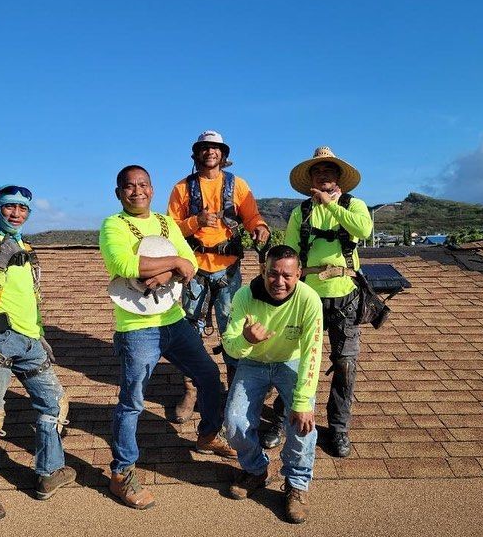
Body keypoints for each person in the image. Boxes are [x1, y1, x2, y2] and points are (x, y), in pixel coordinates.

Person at [99, 165, 237, 510]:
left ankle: (207, 435)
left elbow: (190, 264)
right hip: (136, 327)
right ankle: (121, 473)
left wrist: (165, 269)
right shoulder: (113, 225)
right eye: (129, 186)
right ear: (119, 192)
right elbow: (123, 264)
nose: (137, 191)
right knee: (133, 400)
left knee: (208, 375)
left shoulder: (164, 221)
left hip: (173, 320)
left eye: (143, 184)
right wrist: (171, 262)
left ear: (152, 189)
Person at [0, 185, 75, 521]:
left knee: (54, 403)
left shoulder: (26, 247)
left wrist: (39, 335)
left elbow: (31, 296)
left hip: (28, 339)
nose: (16, 213)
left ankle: (49, 472)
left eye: (23, 209)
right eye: (9, 207)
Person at [167, 130, 270, 423]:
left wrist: (259, 228)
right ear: (196, 154)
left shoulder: (238, 185)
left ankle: (235, 389)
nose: (210, 152)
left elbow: (252, 216)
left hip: (228, 269)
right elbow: (171, 229)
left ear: (223, 155)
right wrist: (195, 221)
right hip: (193, 268)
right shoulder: (181, 189)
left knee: (232, 328)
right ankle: (192, 389)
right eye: (204, 147)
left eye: (215, 148)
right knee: (190, 330)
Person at [281, 146, 372, 458]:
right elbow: (289, 252)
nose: (323, 175)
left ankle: (339, 428)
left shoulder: (354, 205)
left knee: (345, 365)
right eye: (317, 171)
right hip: (307, 297)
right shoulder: (300, 212)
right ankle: (284, 420)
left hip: (346, 295)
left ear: (338, 178)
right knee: (293, 359)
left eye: (329, 170)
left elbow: (363, 229)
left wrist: (330, 206)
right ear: (311, 177)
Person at [222, 245, 323, 524]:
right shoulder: (245, 296)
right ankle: (256, 469)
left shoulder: (309, 300)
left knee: (303, 422)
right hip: (253, 361)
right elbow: (229, 346)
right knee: (233, 422)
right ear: (263, 271)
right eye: (273, 274)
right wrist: (247, 340)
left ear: (299, 274)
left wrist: (303, 402)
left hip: (292, 360)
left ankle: (297, 485)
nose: (279, 281)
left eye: (287, 276)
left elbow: (313, 353)